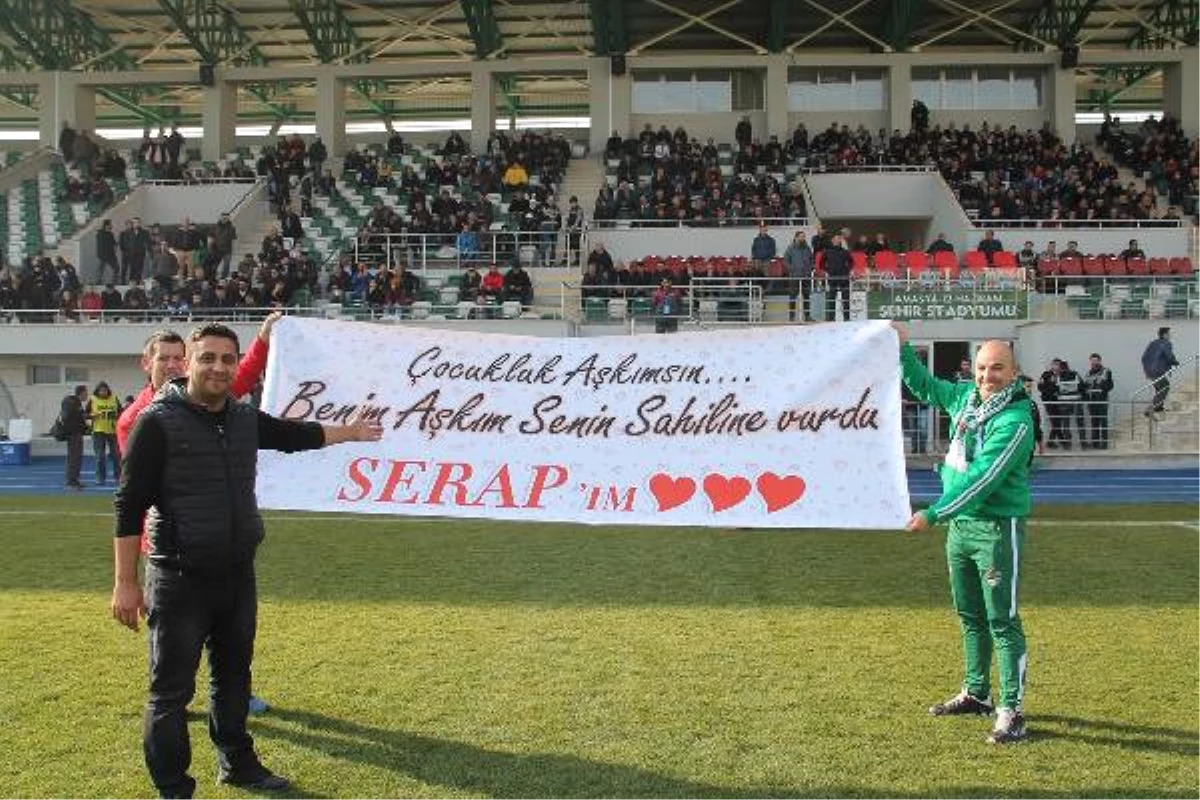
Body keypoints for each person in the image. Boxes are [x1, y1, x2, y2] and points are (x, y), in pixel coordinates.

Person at [111, 323, 383, 799]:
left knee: (234, 678)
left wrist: (352, 432)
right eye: (208, 357)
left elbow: (292, 435)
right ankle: (174, 787)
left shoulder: (241, 416)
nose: (218, 367)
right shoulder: (156, 422)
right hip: (179, 577)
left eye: (227, 359)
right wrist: (125, 583)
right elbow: (128, 505)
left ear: (237, 366)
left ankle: (237, 763)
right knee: (171, 693)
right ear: (189, 362)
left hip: (236, 575)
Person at [118, 316, 281, 721]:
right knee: (176, 646)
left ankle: (229, 703)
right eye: (165, 358)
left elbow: (237, 379)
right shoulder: (142, 419)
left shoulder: (210, 399)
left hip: (221, 543)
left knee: (228, 642)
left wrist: (261, 340)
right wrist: (127, 578)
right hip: (171, 548)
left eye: (177, 357)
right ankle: (174, 702)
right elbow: (136, 497)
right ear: (147, 363)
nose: (172, 365)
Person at [894, 323, 1034, 745]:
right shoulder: (965, 399)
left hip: (994, 529)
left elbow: (982, 478)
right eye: (981, 368)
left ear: (1014, 372)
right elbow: (923, 386)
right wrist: (903, 348)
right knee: (970, 615)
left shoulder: (1015, 420)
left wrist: (934, 513)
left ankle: (1012, 709)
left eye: (996, 369)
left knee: (1002, 621)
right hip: (961, 528)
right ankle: (977, 692)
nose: (986, 376)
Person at [1141, 326, 1179, 417]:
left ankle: (1159, 407)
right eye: (1169, 333)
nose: (1170, 335)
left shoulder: (1153, 343)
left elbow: (1144, 357)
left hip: (1150, 371)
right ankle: (1150, 409)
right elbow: (1169, 356)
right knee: (1165, 386)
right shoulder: (1166, 343)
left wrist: (1147, 370)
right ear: (1165, 334)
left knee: (1159, 389)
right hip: (1158, 371)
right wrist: (1175, 362)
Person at [88, 381, 121, 485]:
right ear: (97, 391)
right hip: (98, 431)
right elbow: (85, 414)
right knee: (100, 456)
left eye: (105, 390)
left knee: (116, 455)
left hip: (112, 430)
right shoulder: (92, 400)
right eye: (101, 390)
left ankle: (118, 477)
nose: (103, 392)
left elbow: (121, 411)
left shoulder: (114, 398)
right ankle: (100, 478)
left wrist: (116, 416)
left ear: (108, 390)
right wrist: (93, 416)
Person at [1081, 353, 1114, 449]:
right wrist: (1086, 397)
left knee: (1103, 422)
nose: (1094, 362)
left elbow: (1110, 385)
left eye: (1096, 360)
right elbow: (1085, 387)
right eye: (1092, 360)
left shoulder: (1106, 371)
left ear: (1100, 361)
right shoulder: (1088, 373)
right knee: (1094, 422)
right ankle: (1095, 443)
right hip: (1092, 401)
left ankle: (1104, 444)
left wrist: (1103, 389)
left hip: (1102, 400)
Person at [61, 384, 90, 490]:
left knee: (76, 458)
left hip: (75, 433)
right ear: (81, 393)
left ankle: (74, 480)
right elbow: (69, 417)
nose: (87, 395)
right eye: (86, 393)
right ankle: (71, 481)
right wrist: (80, 423)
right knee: (74, 458)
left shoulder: (75, 403)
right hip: (74, 434)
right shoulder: (73, 403)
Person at [782, 231, 813, 322]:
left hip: (806, 276)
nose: (802, 238)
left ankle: (807, 316)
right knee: (792, 297)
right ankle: (791, 317)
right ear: (796, 237)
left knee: (806, 296)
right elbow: (785, 261)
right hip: (794, 276)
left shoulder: (807, 248)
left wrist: (810, 268)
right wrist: (792, 269)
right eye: (801, 236)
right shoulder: (790, 248)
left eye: (804, 237)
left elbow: (811, 260)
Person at [822, 233, 852, 322]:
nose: (837, 240)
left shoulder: (845, 251)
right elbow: (821, 263)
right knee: (831, 299)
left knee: (846, 299)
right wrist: (828, 270)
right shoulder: (827, 251)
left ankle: (847, 318)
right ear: (832, 241)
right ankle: (831, 318)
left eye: (839, 239)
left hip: (844, 278)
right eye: (836, 239)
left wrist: (847, 270)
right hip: (833, 278)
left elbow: (851, 262)